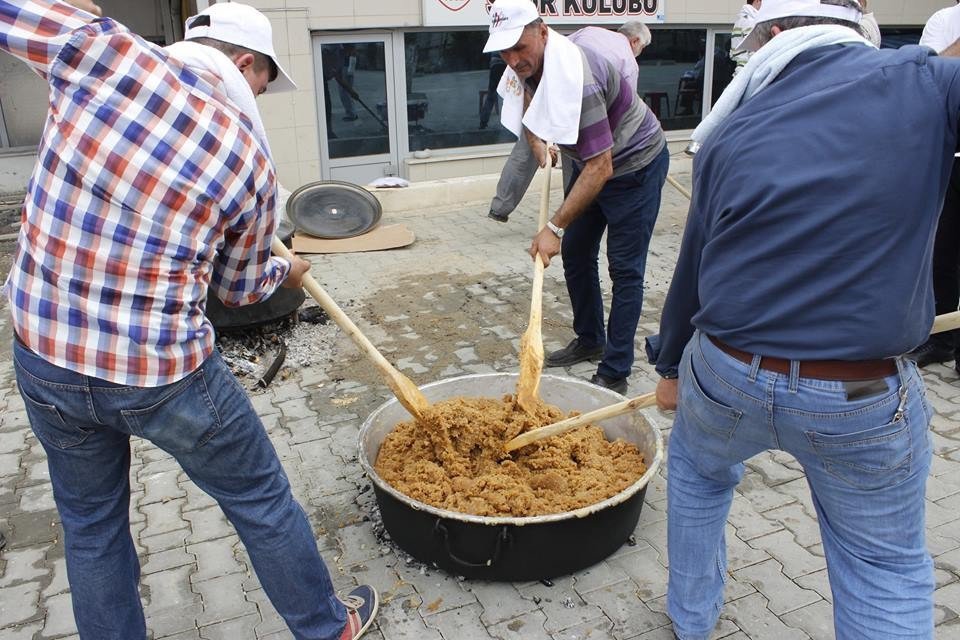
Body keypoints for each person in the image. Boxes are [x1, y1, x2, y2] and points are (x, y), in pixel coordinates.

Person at [0, 2, 378, 639]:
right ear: (243, 64)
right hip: (163, 374)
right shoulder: (249, 159)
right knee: (259, 501)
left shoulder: (100, 52)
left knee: (91, 527)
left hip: (47, 359)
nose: (260, 95)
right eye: (263, 82)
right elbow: (237, 292)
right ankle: (324, 627)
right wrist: (284, 274)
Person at [646, 0, 950, 637]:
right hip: (858, 388)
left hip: (727, 376)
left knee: (698, 478)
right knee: (880, 564)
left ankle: (689, 621)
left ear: (778, 35)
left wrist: (670, 366)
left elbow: (693, 265)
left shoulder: (731, 131)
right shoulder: (922, 87)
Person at [484, 0, 668, 395]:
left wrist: (553, 226)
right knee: (577, 252)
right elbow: (528, 108)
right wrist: (538, 146)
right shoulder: (525, 66)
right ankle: (590, 338)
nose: (513, 59)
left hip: (634, 163)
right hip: (592, 163)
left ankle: (616, 367)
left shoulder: (578, 77)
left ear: (543, 31)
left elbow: (601, 168)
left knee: (624, 268)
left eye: (520, 47)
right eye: (505, 50)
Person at [909, 0, 960, 371]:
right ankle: (940, 339)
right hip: (952, 154)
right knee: (942, 252)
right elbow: (929, 76)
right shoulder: (944, 20)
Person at [730, 0, 763, 74]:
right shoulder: (751, 21)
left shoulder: (740, 20)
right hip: (749, 69)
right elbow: (753, 48)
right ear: (757, 1)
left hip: (741, 67)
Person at [480, 52, 508, 129]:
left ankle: (483, 122)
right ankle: (509, 123)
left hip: (494, 66)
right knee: (509, 95)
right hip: (503, 66)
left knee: (491, 96)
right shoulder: (506, 41)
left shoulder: (493, 43)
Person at [338, 44, 359, 121]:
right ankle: (351, 112)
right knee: (346, 91)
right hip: (346, 65)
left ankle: (351, 113)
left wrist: (351, 67)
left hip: (345, 66)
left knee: (344, 92)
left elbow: (353, 51)